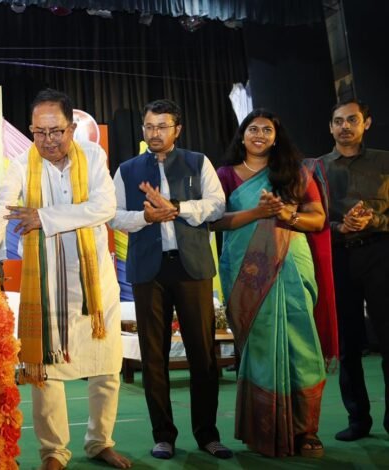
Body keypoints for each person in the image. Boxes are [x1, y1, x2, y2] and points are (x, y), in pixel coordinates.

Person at [0, 88, 131, 470]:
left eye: (56, 131)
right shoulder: (22, 164)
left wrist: (44, 217)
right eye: (40, 132)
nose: (49, 140)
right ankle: (54, 451)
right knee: (45, 371)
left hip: (94, 283)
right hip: (47, 283)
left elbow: (104, 207)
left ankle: (100, 441)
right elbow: (0, 211)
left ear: (71, 128)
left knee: (106, 366)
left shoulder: (93, 155)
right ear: (31, 130)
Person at [212, 109, 337, 457]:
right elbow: (215, 221)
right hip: (247, 272)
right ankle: (263, 430)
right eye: (253, 129)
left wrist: (285, 214)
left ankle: (306, 431)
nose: (260, 135)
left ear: (276, 137)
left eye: (267, 130)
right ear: (242, 135)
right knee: (260, 346)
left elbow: (317, 219)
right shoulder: (225, 175)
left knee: (302, 342)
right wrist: (258, 212)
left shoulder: (294, 172)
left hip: (292, 265)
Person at [110, 99, 230, 460]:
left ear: (177, 129)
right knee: (153, 357)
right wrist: (146, 218)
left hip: (192, 268)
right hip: (149, 271)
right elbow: (114, 216)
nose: (155, 133)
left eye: (162, 126)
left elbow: (217, 204)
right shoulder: (127, 170)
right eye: (149, 126)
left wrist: (177, 208)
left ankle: (207, 434)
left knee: (202, 354)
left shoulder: (198, 162)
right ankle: (163, 435)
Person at [319, 100, 389, 441]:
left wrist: (374, 220)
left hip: (381, 254)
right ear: (330, 127)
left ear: (367, 123)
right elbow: (310, 216)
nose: (344, 126)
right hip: (338, 257)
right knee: (347, 344)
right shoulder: (316, 168)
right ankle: (358, 420)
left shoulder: (385, 161)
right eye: (338, 121)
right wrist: (339, 227)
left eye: (352, 120)